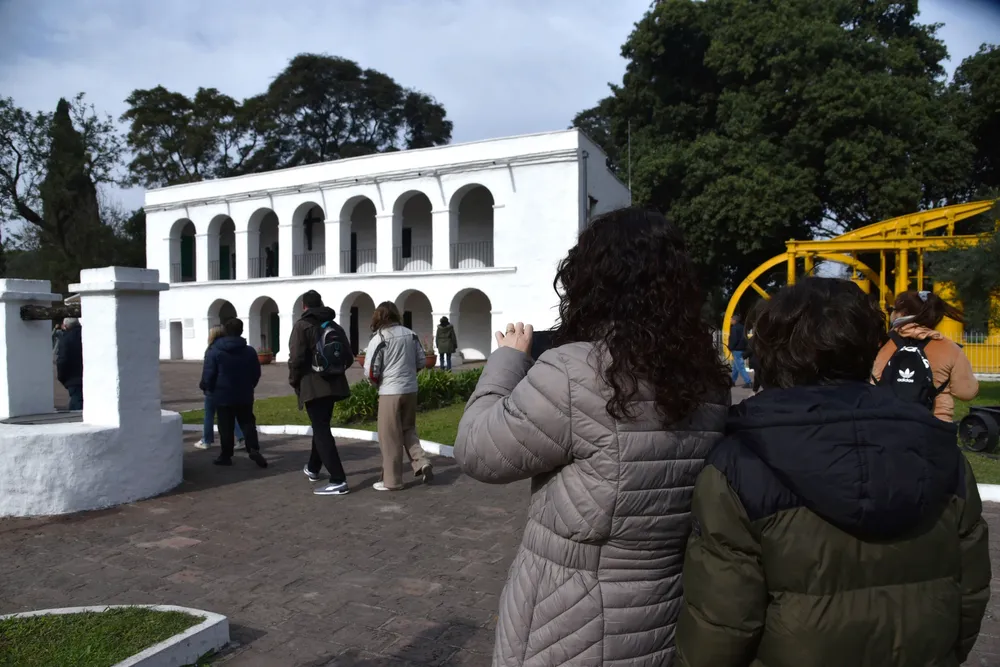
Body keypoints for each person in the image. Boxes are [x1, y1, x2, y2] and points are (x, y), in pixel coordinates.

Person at [454, 207, 731, 666]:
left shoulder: (575, 371)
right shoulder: (707, 381)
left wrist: (506, 360)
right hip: (659, 610)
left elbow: (478, 450)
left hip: (568, 617)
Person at [675, 278, 991, 667]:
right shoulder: (942, 453)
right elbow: (971, 590)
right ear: (870, 348)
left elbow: (721, 622)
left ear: (771, 353)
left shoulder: (738, 464)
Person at [872, 289, 979, 422]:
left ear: (903, 313)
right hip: (934, 428)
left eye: (893, 309)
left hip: (885, 425)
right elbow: (966, 392)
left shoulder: (882, 345)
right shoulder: (950, 348)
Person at [288, 290, 355, 496]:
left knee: (321, 430)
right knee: (321, 426)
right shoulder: (333, 325)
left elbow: (296, 359)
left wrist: (294, 380)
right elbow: (349, 356)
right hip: (334, 385)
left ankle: (338, 479)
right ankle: (313, 468)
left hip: (313, 385)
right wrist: (334, 370)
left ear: (304, 306)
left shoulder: (302, 326)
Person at [363, 301, 434, 491]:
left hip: (389, 391)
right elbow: (421, 360)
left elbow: (371, 370)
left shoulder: (379, 339)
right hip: (410, 389)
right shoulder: (411, 335)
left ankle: (392, 481)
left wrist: (376, 383)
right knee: (408, 429)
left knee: (390, 437)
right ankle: (421, 461)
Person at [199, 317, 268, 469]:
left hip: (222, 394)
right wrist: (250, 385)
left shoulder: (215, 350)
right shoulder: (249, 351)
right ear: (241, 331)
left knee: (225, 426)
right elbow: (256, 372)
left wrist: (207, 387)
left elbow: (209, 373)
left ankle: (226, 455)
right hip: (244, 393)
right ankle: (254, 448)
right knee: (248, 423)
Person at [195, 325, 245, 450]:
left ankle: (206, 440)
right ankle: (241, 436)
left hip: (214, 387)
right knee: (230, 413)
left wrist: (204, 385)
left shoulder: (212, 350)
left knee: (209, 414)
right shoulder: (231, 348)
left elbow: (209, 371)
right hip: (230, 385)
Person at [56, 317, 83, 410]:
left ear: (66, 326)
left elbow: (62, 360)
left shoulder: (66, 339)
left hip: (73, 378)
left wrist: (61, 377)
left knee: (76, 405)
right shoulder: (87, 334)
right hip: (87, 376)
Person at [728, 312, 752, 388]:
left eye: (731, 319)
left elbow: (734, 339)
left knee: (740, 367)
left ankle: (748, 382)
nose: (730, 321)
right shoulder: (742, 327)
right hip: (742, 348)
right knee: (736, 366)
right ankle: (732, 381)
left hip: (736, 349)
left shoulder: (734, 328)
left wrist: (730, 347)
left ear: (735, 320)